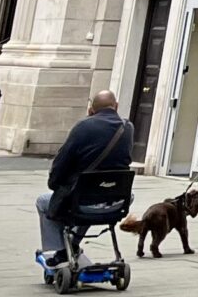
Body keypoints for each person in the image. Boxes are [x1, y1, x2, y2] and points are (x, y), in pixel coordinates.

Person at [36, 90, 135, 259]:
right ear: (116, 106)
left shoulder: (83, 127)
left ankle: (60, 251)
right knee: (91, 199)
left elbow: (61, 163)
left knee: (44, 202)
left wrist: (55, 184)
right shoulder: (128, 128)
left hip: (82, 201)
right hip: (117, 200)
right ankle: (72, 244)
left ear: (91, 110)